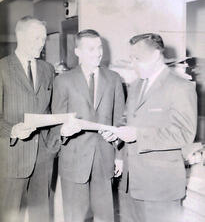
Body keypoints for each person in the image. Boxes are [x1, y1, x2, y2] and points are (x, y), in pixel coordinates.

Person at [100, 33, 197, 222]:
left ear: (155, 55)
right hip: (130, 185)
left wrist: (138, 135)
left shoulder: (180, 87)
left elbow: (184, 134)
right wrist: (116, 133)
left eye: (137, 59)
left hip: (160, 188)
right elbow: (126, 119)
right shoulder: (136, 86)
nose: (133, 64)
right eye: (131, 59)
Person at [50, 29, 125, 222]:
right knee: (75, 217)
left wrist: (119, 155)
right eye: (91, 48)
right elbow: (56, 123)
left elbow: (120, 120)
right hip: (73, 160)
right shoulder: (63, 81)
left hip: (104, 158)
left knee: (105, 216)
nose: (98, 53)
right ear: (77, 52)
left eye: (100, 47)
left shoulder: (114, 79)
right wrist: (62, 131)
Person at [0, 16, 54, 222]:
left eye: (43, 38)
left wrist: (53, 146)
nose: (41, 43)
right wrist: (12, 130)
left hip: (43, 157)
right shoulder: (2, 68)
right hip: (11, 158)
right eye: (36, 38)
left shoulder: (48, 70)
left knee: (41, 217)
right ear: (19, 36)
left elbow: (50, 110)